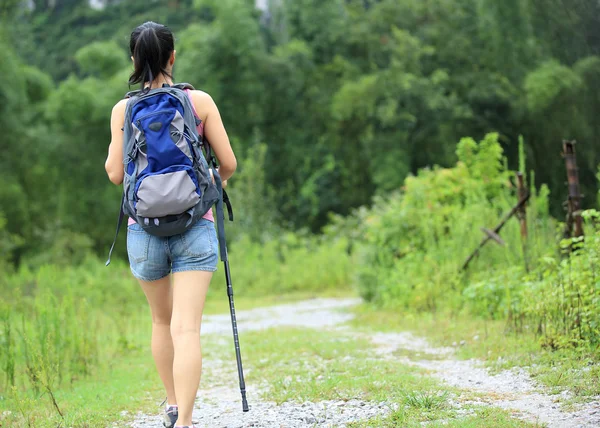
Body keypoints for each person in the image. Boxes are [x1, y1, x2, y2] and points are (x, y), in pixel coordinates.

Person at [104, 21, 237, 428]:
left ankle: (173, 404)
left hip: (143, 230)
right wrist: (215, 182)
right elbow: (228, 163)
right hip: (196, 226)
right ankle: (186, 423)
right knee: (187, 329)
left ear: (133, 59)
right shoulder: (199, 103)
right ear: (172, 57)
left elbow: (114, 174)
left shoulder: (123, 110)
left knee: (161, 322)